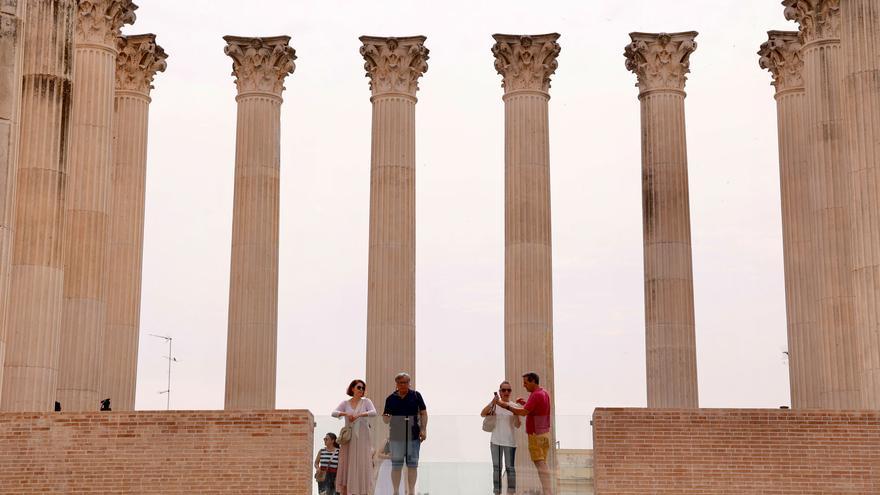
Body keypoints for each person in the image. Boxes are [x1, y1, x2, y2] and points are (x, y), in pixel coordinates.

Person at [497, 372, 553, 495]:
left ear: (533, 381)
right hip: (544, 433)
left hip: (536, 434)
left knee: (540, 464)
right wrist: (524, 403)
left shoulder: (535, 395)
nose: (524, 385)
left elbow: (523, 413)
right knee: (542, 463)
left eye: (526, 383)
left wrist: (505, 406)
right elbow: (534, 409)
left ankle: (548, 492)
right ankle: (548, 491)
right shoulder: (544, 393)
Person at [382, 372, 427, 495]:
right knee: (396, 465)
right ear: (396, 384)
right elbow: (386, 418)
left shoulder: (416, 396)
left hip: (413, 435)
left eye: (406, 382)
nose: (403, 385)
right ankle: (396, 491)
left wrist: (423, 429)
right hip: (396, 436)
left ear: (409, 383)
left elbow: (423, 413)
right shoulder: (390, 399)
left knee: (412, 465)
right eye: (401, 382)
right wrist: (386, 416)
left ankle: (411, 491)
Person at [333, 379, 378, 495]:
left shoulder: (366, 402)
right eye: (359, 387)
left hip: (362, 437)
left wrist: (360, 414)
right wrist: (345, 414)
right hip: (349, 438)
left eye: (363, 388)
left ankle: (361, 491)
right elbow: (334, 413)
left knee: (362, 462)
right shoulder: (345, 403)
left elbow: (374, 412)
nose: (361, 390)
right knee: (347, 463)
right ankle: (347, 491)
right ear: (352, 388)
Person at [481, 380, 521, 494]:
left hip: (510, 442)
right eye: (504, 390)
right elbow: (482, 414)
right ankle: (497, 492)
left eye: (508, 390)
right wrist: (492, 402)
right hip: (495, 441)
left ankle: (511, 492)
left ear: (511, 392)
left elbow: (518, 425)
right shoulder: (495, 404)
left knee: (510, 468)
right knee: (497, 468)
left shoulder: (514, 406)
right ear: (500, 391)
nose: (506, 392)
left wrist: (516, 413)